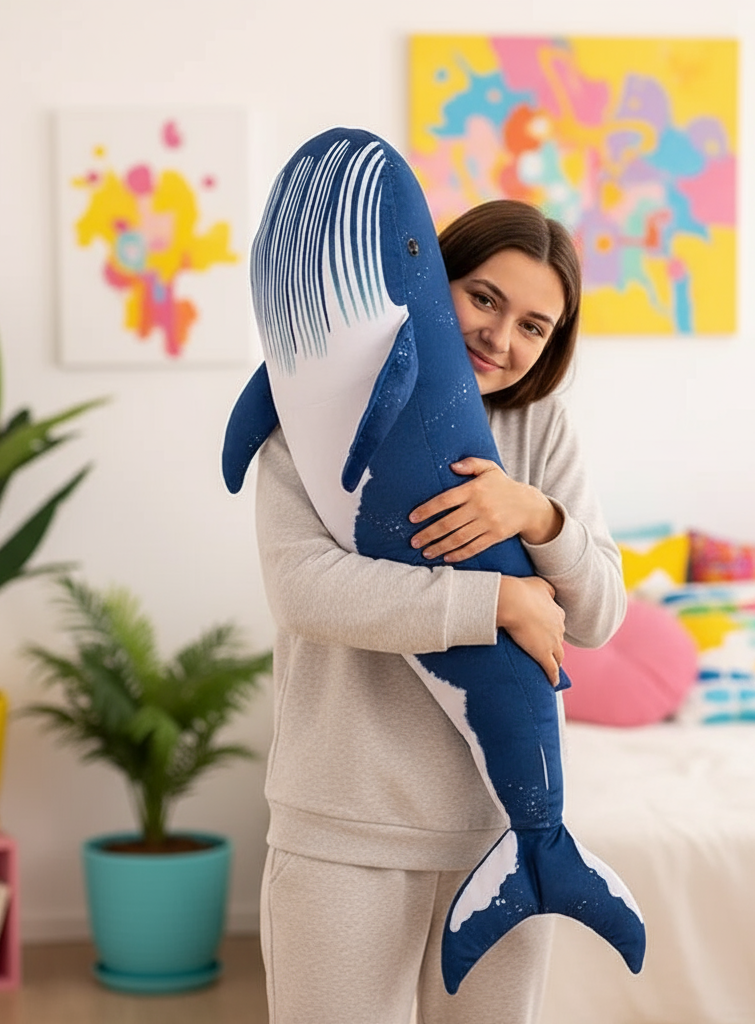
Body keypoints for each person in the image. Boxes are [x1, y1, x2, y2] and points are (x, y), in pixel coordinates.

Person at [254, 199, 626, 1024]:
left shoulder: (539, 425)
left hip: (500, 834)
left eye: (535, 326)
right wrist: (495, 601)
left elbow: (600, 613)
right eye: (484, 298)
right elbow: (305, 589)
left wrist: (537, 517)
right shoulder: (316, 406)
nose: (502, 338)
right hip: (343, 831)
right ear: (431, 281)